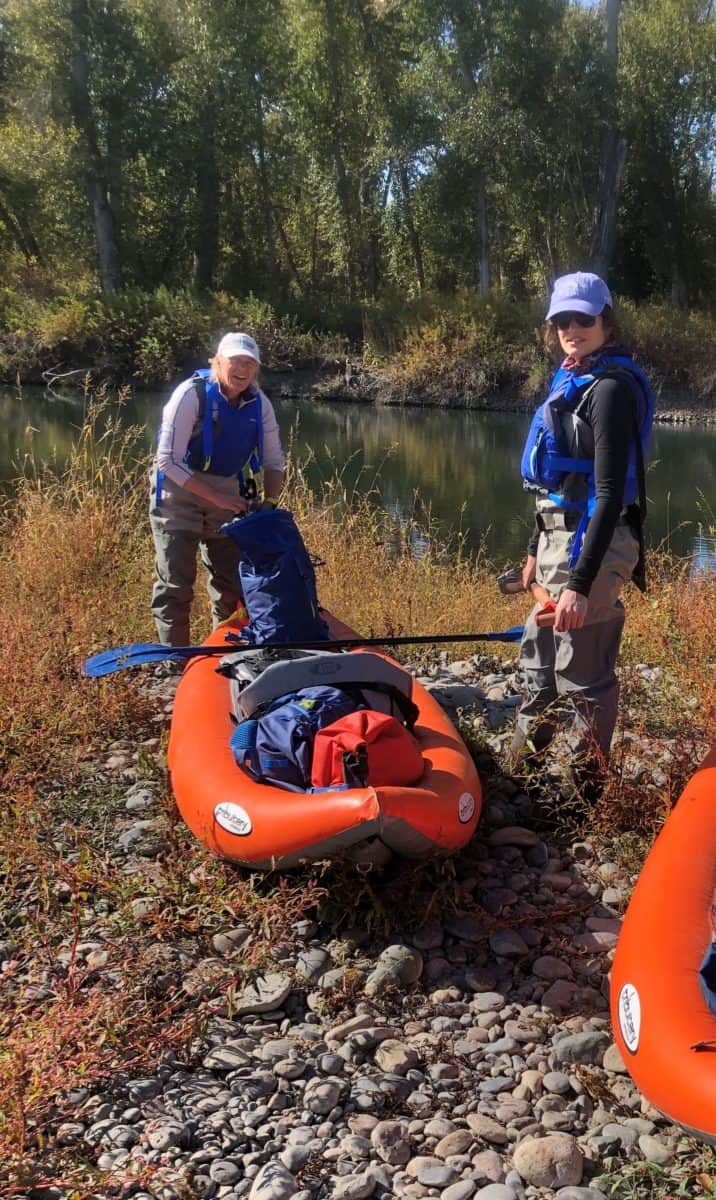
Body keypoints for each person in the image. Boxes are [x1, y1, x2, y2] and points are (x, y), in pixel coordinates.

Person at [509, 271, 655, 794]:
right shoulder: (571, 377)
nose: (572, 328)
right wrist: (533, 548)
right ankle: (518, 777)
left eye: (583, 319)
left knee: (584, 673)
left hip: (595, 542)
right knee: (540, 658)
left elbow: (609, 494)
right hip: (556, 538)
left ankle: (582, 792)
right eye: (562, 320)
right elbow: (561, 479)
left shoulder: (611, 390)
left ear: (606, 322)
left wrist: (578, 583)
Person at [149, 331, 285, 645]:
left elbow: (275, 460)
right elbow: (167, 461)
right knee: (175, 582)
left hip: (226, 487)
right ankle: (175, 659)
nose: (244, 369)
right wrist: (217, 497)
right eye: (236, 361)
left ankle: (223, 650)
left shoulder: (259, 404)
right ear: (218, 362)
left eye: (250, 364)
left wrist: (271, 502)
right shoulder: (190, 395)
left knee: (231, 582)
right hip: (177, 489)